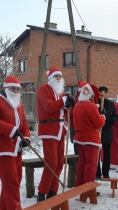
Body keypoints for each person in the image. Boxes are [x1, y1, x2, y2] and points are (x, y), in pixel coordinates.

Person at [0, 76, 31, 210]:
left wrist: (26, 136)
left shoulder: (19, 104)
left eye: (17, 89)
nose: (15, 91)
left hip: (16, 147)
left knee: (15, 178)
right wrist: (10, 129)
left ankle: (3, 209)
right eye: (12, 88)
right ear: (5, 88)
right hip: (2, 147)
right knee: (11, 181)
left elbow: (24, 123)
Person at [36, 65, 75, 202]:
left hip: (60, 129)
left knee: (59, 163)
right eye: (56, 76)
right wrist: (63, 101)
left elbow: (61, 109)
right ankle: (42, 191)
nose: (58, 78)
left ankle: (53, 191)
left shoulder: (61, 92)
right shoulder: (44, 89)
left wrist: (67, 106)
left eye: (60, 76)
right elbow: (49, 107)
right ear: (50, 78)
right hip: (49, 129)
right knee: (51, 162)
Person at [73, 82, 105, 187]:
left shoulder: (77, 105)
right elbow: (98, 123)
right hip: (90, 139)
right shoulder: (90, 106)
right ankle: (88, 188)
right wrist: (103, 117)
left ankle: (79, 185)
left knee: (81, 163)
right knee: (91, 165)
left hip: (79, 138)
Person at [96, 86, 118, 179]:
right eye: (100, 93)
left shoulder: (110, 104)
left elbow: (115, 115)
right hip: (97, 131)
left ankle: (106, 172)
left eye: (104, 93)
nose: (102, 95)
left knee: (107, 153)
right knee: (97, 153)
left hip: (107, 130)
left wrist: (113, 120)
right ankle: (97, 172)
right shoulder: (95, 103)